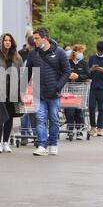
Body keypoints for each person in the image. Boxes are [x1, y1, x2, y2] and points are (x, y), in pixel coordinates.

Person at [26, 27, 71, 156]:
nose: (34, 41)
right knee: (40, 119)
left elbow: (67, 71)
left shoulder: (60, 52)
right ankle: (42, 145)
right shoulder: (33, 54)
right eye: (33, 38)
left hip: (54, 93)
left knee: (54, 119)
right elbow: (28, 72)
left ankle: (53, 144)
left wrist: (58, 86)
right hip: (38, 92)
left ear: (45, 38)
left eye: (36, 38)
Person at [0, 33, 24, 153]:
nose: (7, 42)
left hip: (13, 91)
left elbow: (22, 73)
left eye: (9, 40)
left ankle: (6, 142)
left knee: (9, 117)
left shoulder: (17, 57)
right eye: (5, 40)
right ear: (1, 42)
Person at [64, 44, 90, 140]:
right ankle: (70, 130)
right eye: (79, 51)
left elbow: (88, 75)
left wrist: (78, 76)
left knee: (79, 110)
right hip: (69, 90)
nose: (81, 53)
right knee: (69, 110)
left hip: (80, 90)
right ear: (74, 52)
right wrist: (69, 76)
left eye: (82, 52)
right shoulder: (68, 62)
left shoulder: (84, 63)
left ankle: (79, 130)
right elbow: (63, 73)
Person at [20, 35, 37, 146]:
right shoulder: (32, 57)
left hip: (30, 88)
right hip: (32, 88)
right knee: (31, 113)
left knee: (27, 112)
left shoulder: (30, 57)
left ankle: (25, 135)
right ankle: (34, 136)